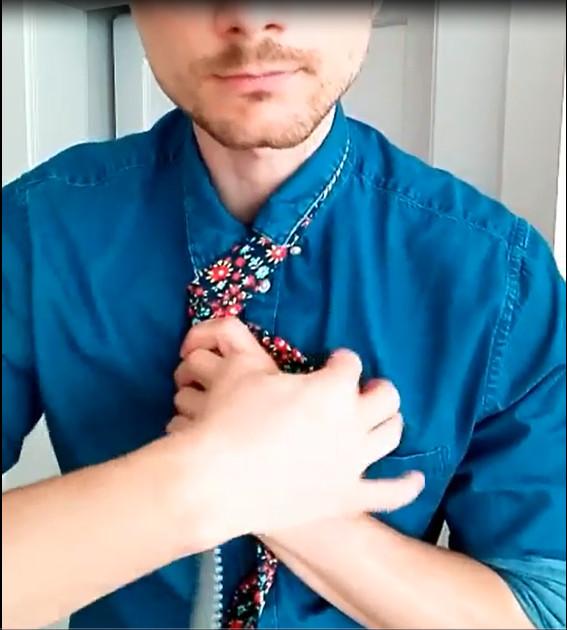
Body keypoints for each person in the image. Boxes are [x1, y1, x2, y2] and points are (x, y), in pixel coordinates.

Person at [2, 3, 565, 630]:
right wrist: (211, 480)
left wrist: (293, 506)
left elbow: (544, 609)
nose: (250, 17)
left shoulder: (499, 277)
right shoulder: (32, 232)